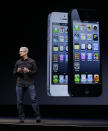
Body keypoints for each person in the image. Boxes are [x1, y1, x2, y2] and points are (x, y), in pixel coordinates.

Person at [13, 47, 41, 123]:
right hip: (19, 83)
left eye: (21, 51)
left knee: (34, 100)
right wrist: (17, 71)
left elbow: (35, 72)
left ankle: (37, 117)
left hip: (30, 83)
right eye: (19, 51)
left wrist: (28, 71)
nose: (20, 53)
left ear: (26, 52)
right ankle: (21, 118)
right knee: (19, 101)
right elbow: (14, 73)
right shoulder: (18, 62)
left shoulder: (32, 61)